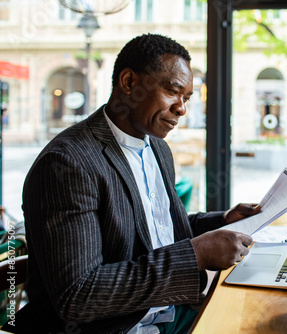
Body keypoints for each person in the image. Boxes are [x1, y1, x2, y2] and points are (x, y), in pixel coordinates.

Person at [5, 34, 261, 334]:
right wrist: (196, 254)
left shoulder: (158, 149)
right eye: (172, 91)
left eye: (187, 98)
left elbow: (157, 230)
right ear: (128, 83)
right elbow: (79, 296)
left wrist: (222, 220)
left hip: (167, 312)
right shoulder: (67, 164)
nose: (182, 108)